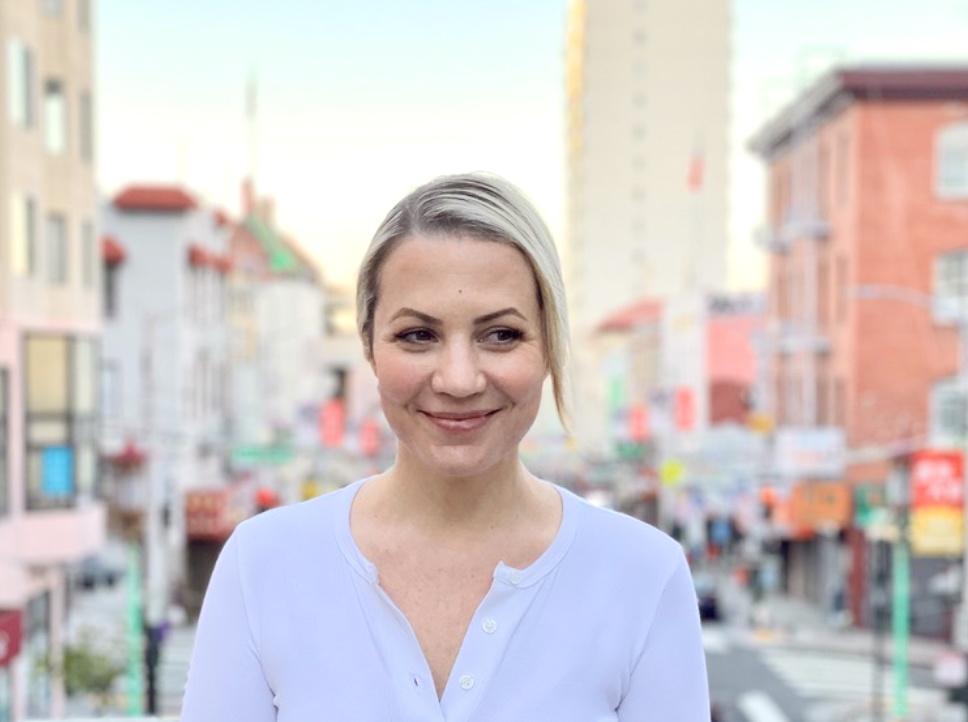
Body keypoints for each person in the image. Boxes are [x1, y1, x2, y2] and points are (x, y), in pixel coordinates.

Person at [180, 172, 710, 720]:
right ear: (369, 345)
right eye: (418, 335)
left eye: (501, 335)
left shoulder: (644, 575)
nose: (459, 380)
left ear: (550, 346)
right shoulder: (262, 566)